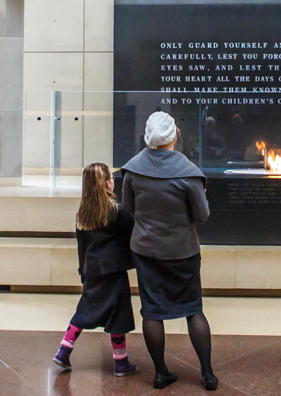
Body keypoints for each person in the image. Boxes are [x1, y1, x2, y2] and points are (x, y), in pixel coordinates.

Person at [120, 111, 216, 391]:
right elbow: (202, 216)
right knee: (193, 310)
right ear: (174, 135)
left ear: (148, 137)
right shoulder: (188, 171)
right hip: (182, 252)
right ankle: (207, 374)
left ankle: (161, 373)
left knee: (152, 311)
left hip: (146, 251)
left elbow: (128, 210)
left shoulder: (134, 169)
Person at [53, 163, 138, 377]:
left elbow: (82, 248)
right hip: (114, 271)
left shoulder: (82, 214)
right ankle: (120, 362)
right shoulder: (117, 212)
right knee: (118, 315)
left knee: (84, 310)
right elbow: (134, 230)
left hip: (91, 270)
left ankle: (64, 350)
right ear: (107, 183)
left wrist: (82, 271)